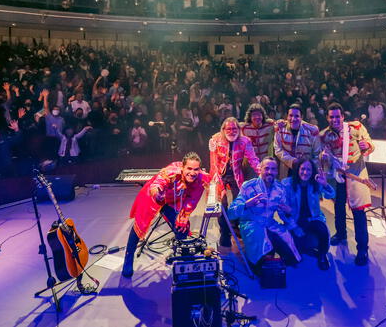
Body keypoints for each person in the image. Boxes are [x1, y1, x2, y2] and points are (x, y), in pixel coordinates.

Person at [122, 152, 210, 277]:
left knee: (182, 228)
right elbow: (157, 184)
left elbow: (192, 199)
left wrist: (184, 216)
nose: (192, 172)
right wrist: (156, 193)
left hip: (172, 201)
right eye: (189, 168)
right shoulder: (171, 172)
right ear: (183, 167)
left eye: (196, 169)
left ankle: (179, 255)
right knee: (139, 225)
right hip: (154, 197)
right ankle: (128, 258)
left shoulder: (200, 178)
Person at [320, 102, 376, 266]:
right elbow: (324, 158)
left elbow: (370, 143)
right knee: (338, 207)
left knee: (359, 213)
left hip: (357, 175)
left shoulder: (357, 127)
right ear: (327, 118)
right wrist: (324, 158)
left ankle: (362, 249)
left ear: (343, 116)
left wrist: (368, 146)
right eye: (332, 117)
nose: (335, 119)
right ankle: (341, 234)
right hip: (339, 176)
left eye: (338, 116)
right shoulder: (324, 135)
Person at [228, 157, 300, 273]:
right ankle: (258, 259)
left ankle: (270, 254)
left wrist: (290, 216)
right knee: (258, 265)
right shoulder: (248, 186)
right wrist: (246, 204)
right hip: (251, 224)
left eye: (273, 169)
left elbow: (283, 213)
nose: (270, 172)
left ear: (277, 171)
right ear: (260, 169)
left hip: (270, 223)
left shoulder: (280, 189)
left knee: (291, 253)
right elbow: (231, 213)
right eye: (266, 168)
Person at [209, 117, 260, 247]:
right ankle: (224, 233)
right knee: (221, 204)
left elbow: (253, 159)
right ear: (223, 129)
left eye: (234, 128)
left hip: (236, 175)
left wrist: (262, 172)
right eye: (229, 128)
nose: (232, 131)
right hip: (220, 175)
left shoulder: (245, 141)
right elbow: (214, 164)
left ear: (239, 129)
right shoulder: (215, 140)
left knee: (239, 202)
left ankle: (234, 226)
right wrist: (219, 186)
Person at [281, 158, 335, 270]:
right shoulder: (287, 184)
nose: (305, 172)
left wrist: (325, 184)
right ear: (297, 169)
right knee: (296, 252)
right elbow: (282, 211)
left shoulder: (315, 182)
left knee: (323, 232)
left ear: (312, 172)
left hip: (313, 218)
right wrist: (294, 227)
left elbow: (331, 195)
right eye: (303, 169)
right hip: (295, 219)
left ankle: (322, 256)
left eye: (309, 170)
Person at [273, 103, 321, 179]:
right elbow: (277, 149)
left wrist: (308, 166)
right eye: (291, 115)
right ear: (287, 116)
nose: (293, 119)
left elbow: (317, 153)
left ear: (302, 117)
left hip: (306, 172)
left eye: (297, 116)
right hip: (286, 170)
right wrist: (292, 161)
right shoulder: (280, 128)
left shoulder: (311, 130)